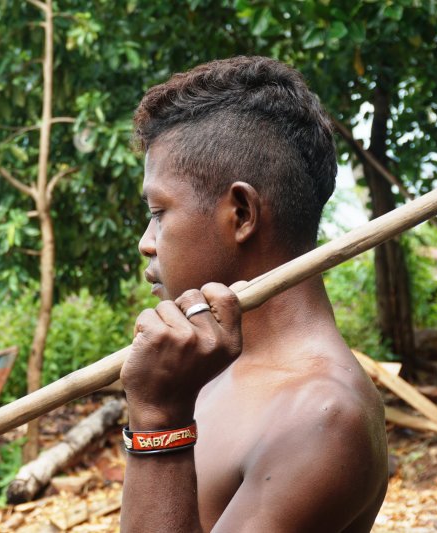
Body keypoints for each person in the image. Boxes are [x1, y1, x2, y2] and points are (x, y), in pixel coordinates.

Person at [119, 56, 388, 532]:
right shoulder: (210, 361)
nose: (146, 241)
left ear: (241, 213)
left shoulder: (322, 416)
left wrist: (158, 419)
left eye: (159, 211)